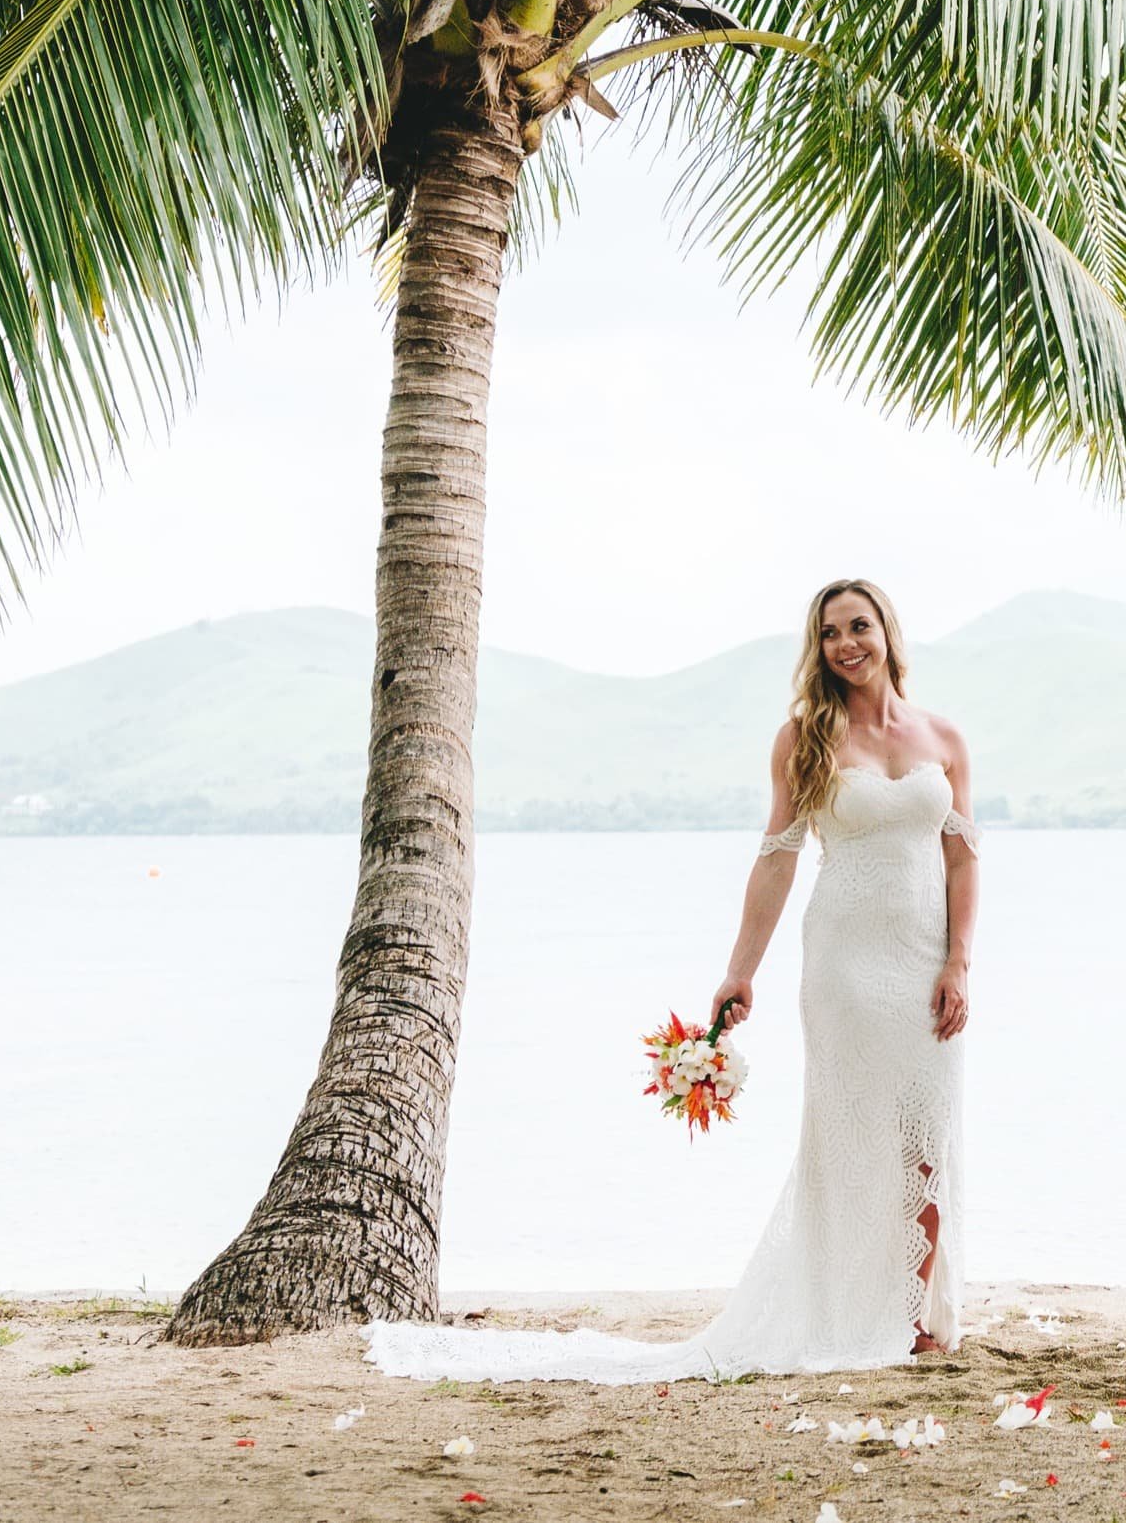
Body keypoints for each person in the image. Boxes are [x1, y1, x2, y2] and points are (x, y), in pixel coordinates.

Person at [363, 577, 980, 1381]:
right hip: (845, 968)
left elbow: (963, 857)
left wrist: (959, 960)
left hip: (926, 962)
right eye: (829, 633)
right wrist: (739, 973)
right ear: (818, 647)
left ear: (888, 631)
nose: (846, 644)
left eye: (858, 626)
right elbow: (777, 860)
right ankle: (861, 1311)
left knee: (927, 1133)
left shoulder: (945, 737)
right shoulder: (805, 738)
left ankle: (921, 1316)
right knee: (856, 1136)